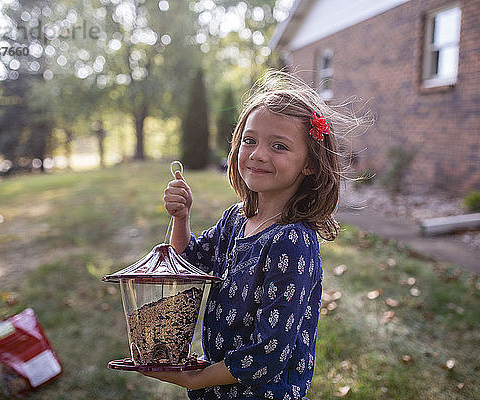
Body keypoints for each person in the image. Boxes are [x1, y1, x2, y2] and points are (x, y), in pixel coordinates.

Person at [144, 70, 365, 399]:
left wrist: (196, 379)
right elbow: (185, 261)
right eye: (250, 140)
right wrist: (182, 217)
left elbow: (268, 354)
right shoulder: (236, 219)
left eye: (279, 146)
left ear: (309, 164)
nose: (259, 154)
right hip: (218, 387)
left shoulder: (292, 241)